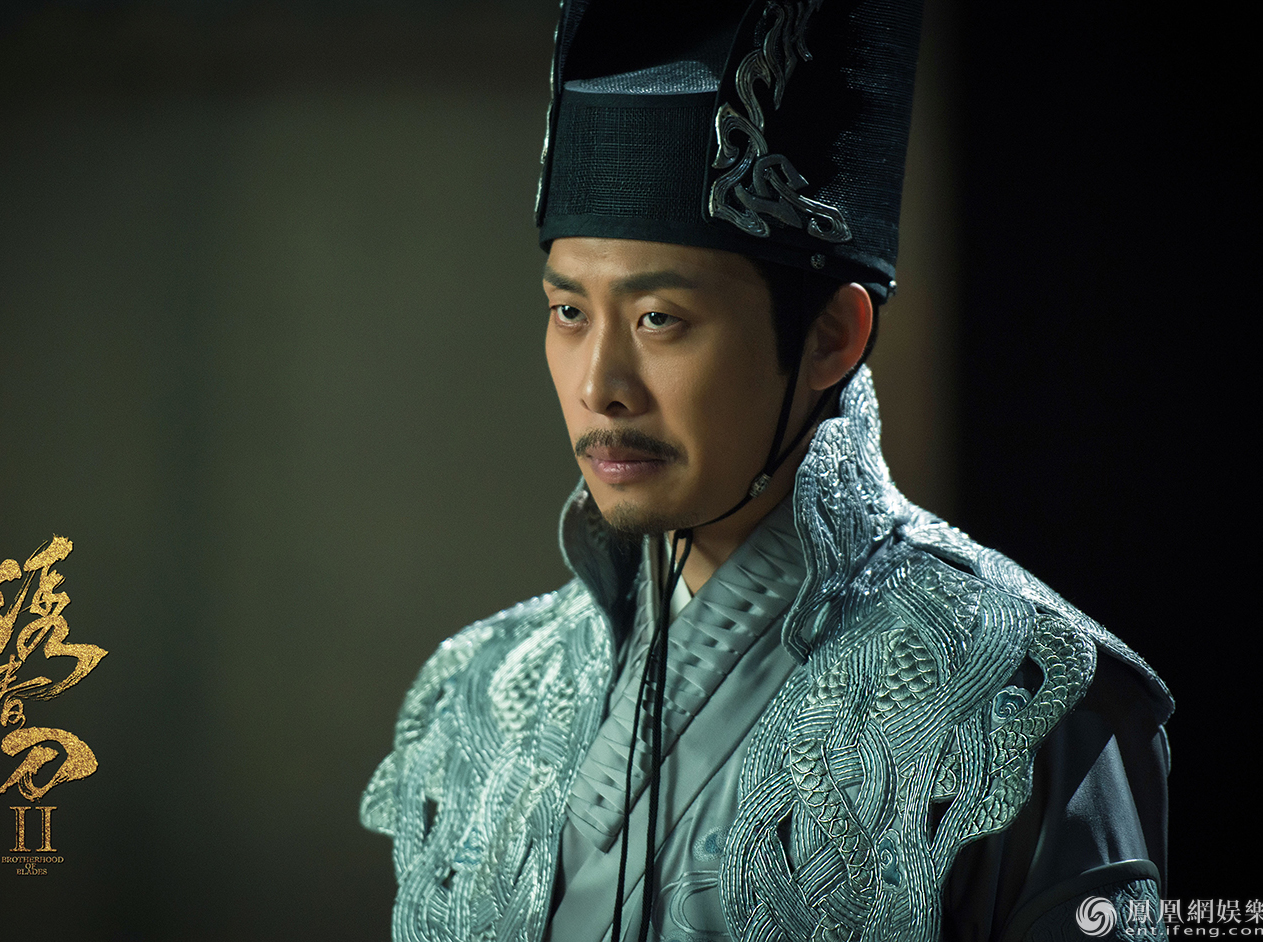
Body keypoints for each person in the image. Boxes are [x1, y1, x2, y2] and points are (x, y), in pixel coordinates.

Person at [361, 1, 1172, 939]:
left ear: (832, 336)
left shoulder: (1031, 696)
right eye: (569, 312)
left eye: (659, 319)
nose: (598, 386)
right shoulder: (476, 696)